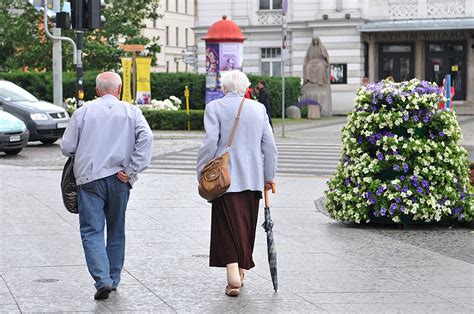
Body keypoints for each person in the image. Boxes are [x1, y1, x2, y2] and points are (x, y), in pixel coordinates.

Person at [61, 72, 153, 300]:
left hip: (90, 179)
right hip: (120, 178)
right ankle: (113, 278)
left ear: (97, 90)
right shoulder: (132, 111)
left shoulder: (83, 112)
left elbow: (67, 147)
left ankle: (102, 279)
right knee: (116, 229)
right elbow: (146, 138)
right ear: (119, 89)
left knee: (91, 230)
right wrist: (132, 169)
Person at [196, 70, 277, 297]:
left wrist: (201, 172)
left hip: (224, 179)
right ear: (245, 88)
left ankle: (233, 274)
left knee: (226, 226)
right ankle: (240, 271)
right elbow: (269, 146)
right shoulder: (258, 109)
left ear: (224, 88)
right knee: (246, 225)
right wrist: (268, 176)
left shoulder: (214, 108)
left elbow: (210, 144)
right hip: (252, 179)